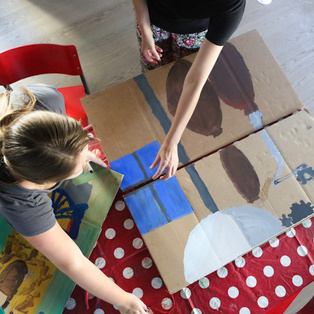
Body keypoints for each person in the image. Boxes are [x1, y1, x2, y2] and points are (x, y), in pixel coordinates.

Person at [0, 85, 148, 314]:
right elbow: (71, 262)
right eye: (74, 171)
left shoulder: (46, 100)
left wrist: (75, 153)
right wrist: (124, 300)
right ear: (43, 184)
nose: (84, 164)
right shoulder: (19, 203)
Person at [132, 0, 246, 180]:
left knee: (183, 72)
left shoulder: (231, 5)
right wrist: (145, 31)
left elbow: (195, 79)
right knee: (153, 76)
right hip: (152, 20)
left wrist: (172, 140)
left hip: (195, 34)